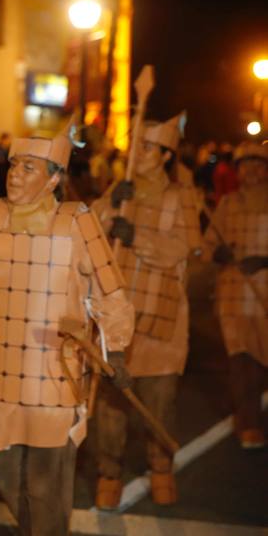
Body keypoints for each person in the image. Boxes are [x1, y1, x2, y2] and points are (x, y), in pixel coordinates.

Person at [0, 122, 134, 535]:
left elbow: (110, 291)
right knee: (7, 476)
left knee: (44, 480)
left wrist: (117, 350)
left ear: (55, 178)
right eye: (14, 165)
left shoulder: (77, 220)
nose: (15, 174)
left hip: (55, 370)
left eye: (29, 167)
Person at [90, 113, 201, 508]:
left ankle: (160, 469)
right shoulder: (118, 191)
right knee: (110, 403)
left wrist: (139, 237)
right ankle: (109, 473)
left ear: (167, 155)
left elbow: (185, 249)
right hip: (118, 318)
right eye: (138, 146)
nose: (141, 154)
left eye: (150, 148)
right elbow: (88, 232)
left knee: (159, 400)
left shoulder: (181, 196)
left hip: (163, 322)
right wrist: (109, 209)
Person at [204, 141, 268, 449]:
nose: (252, 172)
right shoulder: (228, 204)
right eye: (245, 166)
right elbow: (207, 246)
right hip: (233, 298)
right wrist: (219, 252)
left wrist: (263, 261)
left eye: (258, 165)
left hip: (264, 297)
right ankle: (249, 423)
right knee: (242, 363)